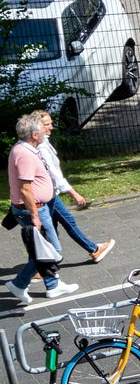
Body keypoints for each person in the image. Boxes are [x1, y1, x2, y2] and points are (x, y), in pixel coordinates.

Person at [5, 115, 76, 304]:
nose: (47, 131)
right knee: (52, 250)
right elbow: (25, 188)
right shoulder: (25, 154)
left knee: (43, 250)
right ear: (35, 135)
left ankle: (53, 285)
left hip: (37, 207)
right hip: (33, 210)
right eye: (42, 130)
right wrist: (35, 216)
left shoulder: (26, 149)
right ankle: (19, 283)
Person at [31, 111, 112, 263]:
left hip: (49, 193)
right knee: (66, 222)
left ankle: (45, 263)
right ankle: (93, 250)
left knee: (51, 229)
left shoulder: (43, 142)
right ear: (38, 127)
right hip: (49, 195)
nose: (52, 127)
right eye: (47, 124)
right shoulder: (41, 147)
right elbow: (55, 175)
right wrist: (74, 193)